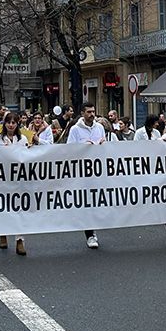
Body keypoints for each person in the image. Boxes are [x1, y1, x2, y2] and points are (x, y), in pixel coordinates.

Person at [136, 114, 166, 245]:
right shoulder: (140, 133)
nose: (157, 124)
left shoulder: (159, 134)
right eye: (156, 122)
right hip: (151, 170)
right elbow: (135, 148)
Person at [67, 103, 106, 249]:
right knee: (87, 203)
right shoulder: (75, 129)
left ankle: (94, 228)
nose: (92, 114)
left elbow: (105, 146)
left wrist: (103, 144)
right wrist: (83, 146)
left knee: (97, 202)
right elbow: (70, 149)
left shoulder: (99, 127)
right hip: (82, 172)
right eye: (89, 112)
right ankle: (90, 234)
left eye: (93, 111)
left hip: (98, 171)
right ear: (82, 113)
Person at [0, 112, 28, 256]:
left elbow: (27, 156)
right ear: (4, 124)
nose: (11, 125)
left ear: (17, 124)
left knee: (19, 209)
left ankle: (20, 240)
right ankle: (3, 233)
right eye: (8, 122)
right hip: (3, 179)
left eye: (14, 122)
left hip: (19, 179)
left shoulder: (23, 139)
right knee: (4, 208)